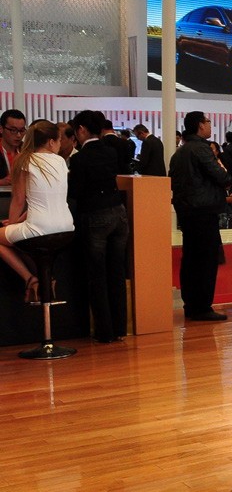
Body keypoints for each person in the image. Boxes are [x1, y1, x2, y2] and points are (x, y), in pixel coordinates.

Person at [68, 110, 129, 343]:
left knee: (97, 275)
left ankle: (104, 331)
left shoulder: (79, 158)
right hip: (118, 213)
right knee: (117, 273)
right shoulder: (111, 151)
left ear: (81, 130)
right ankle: (120, 328)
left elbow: (75, 191)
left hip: (95, 216)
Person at [0, 121, 76, 302]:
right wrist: (18, 222)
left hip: (39, 229)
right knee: (26, 238)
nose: (60, 145)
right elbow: (47, 201)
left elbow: (19, 200)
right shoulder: (61, 162)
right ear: (51, 142)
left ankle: (31, 279)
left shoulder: (24, 160)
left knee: (10, 239)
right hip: (66, 228)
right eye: (59, 141)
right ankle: (46, 278)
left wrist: (12, 224)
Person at [169, 111, 231, 321]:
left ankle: (191, 305)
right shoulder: (201, 149)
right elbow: (222, 177)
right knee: (206, 260)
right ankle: (203, 307)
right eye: (207, 121)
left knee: (190, 259)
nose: (210, 124)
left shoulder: (179, 152)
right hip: (204, 211)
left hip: (187, 212)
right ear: (199, 125)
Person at [1, 109, 27, 186]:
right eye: (13, 130)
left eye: (22, 130)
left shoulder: (27, 150)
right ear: (1, 129)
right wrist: (1, 182)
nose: (19, 135)